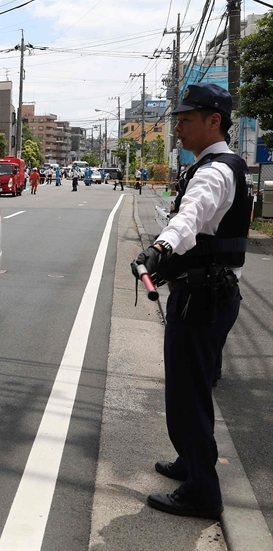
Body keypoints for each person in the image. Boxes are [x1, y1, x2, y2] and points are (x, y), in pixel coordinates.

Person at [131, 83, 249, 520]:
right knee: (192, 389)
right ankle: (190, 461)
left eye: (185, 119)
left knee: (187, 395)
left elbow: (190, 217)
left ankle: (202, 491)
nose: (177, 127)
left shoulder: (214, 171)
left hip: (202, 301)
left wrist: (158, 249)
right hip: (210, 294)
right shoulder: (218, 164)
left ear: (213, 120)